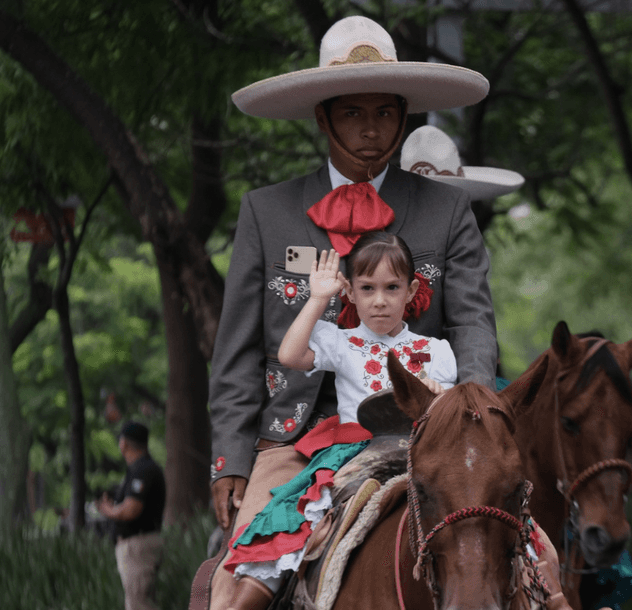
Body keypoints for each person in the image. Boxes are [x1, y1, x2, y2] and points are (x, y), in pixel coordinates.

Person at [207, 15, 497, 610]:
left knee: (529, 556)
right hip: (292, 441)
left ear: (403, 116)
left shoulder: (447, 210)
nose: (370, 129)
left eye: (385, 113)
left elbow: (471, 324)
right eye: (353, 113)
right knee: (236, 591)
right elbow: (236, 350)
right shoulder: (266, 211)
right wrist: (229, 458)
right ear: (324, 117)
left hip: (423, 432)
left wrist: (472, 425)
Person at [221, 234, 456, 605]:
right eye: (367, 288)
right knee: (302, 518)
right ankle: (260, 596)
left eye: (392, 287)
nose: (379, 300)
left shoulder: (435, 351)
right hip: (358, 452)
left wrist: (438, 394)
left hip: (419, 452)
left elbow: (448, 410)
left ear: (411, 291)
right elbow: (289, 354)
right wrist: (318, 298)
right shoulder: (342, 341)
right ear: (350, 291)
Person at [98, 422, 166, 610]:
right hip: (138, 545)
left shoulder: (143, 470)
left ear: (124, 443)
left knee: (140, 604)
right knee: (137, 603)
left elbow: (131, 509)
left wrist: (109, 510)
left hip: (139, 545)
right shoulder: (139, 469)